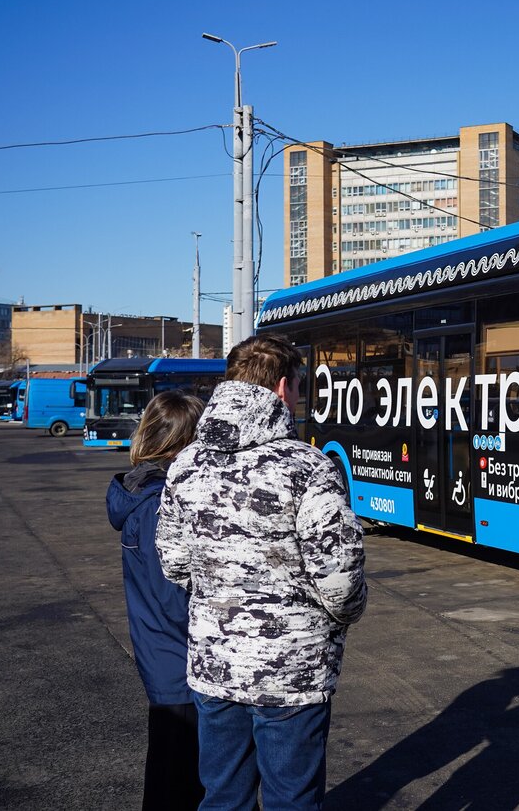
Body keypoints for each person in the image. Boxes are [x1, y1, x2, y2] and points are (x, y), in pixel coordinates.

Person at [156, 334, 367, 810]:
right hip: (292, 669)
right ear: (281, 388)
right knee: (291, 799)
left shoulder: (186, 464)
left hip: (215, 663)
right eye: (298, 387)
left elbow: (173, 561)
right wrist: (343, 615)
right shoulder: (308, 467)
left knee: (222, 795)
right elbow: (339, 576)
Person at [107, 389, 207, 811]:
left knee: (181, 780)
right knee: (182, 784)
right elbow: (174, 597)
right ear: (183, 445)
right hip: (180, 666)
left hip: (163, 657)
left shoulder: (139, 494)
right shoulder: (159, 506)